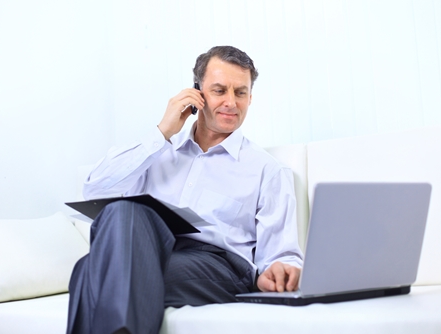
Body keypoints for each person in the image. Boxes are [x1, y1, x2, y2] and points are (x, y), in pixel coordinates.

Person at [66, 46, 303, 334]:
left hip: (218, 266)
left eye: (240, 92)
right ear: (197, 93)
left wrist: (279, 270)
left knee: (89, 271)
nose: (231, 102)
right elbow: (94, 187)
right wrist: (162, 132)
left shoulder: (267, 170)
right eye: (219, 90)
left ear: (250, 98)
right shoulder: (158, 153)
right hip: (151, 250)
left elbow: (282, 255)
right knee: (122, 210)